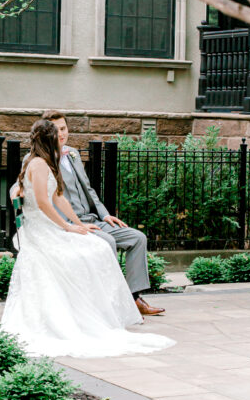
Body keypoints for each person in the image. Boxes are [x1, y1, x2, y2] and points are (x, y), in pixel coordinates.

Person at [0, 118, 174, 359]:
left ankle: (116, 304)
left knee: (110, 242)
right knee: (97, 248)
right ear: (48, 139)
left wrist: (80, 224)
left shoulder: (51, 160)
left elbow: (59, 196)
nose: (61, 137)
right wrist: (67, 226)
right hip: (42, 230)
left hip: (66, 223)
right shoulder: (37, 163)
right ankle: (98, 308)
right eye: (56, 134)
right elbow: (41, 201)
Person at [42, 110, 164, 316]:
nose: (61, 134)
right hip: (69, 224)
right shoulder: (39, 159)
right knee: (107, 242)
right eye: (55, 130)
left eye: (63, 128)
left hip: (93, 219)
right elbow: (38, 194)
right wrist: (75, 224)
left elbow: (89, 189)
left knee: (137, 238)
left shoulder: (72, 154)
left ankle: (134, 298)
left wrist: (105, 214)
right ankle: (112, 303)